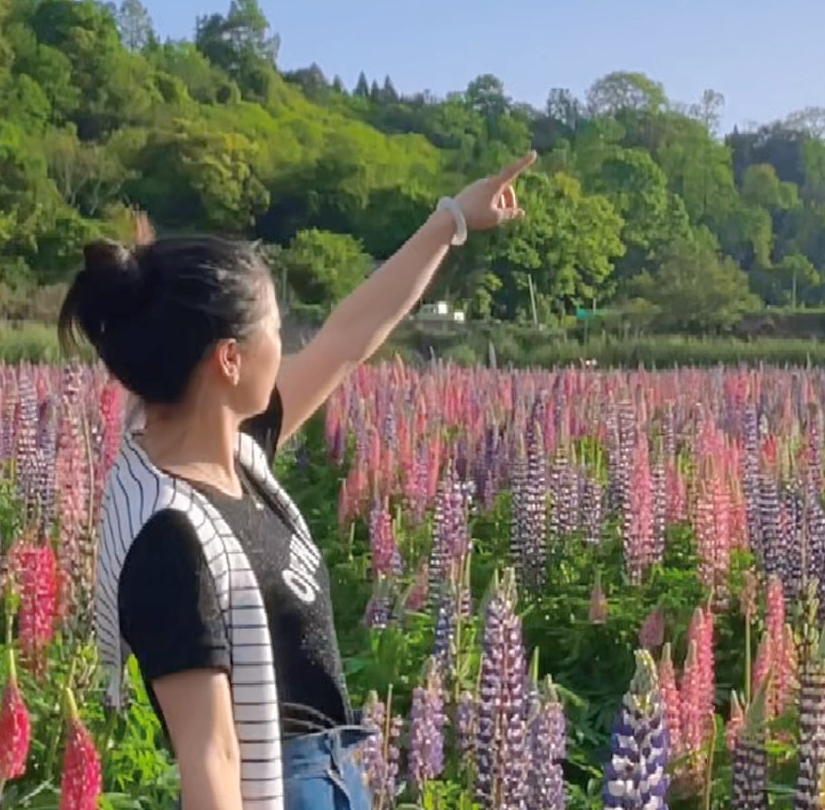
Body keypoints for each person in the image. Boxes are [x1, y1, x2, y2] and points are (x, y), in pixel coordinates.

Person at [66, 152, 536, 810]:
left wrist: (451, 219)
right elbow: (212, 760)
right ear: (229, 358)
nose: (286, 347)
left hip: (334, 773)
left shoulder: (233, 447)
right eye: (275, 331)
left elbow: (347, 338)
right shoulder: (168, 533)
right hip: (281, 789)